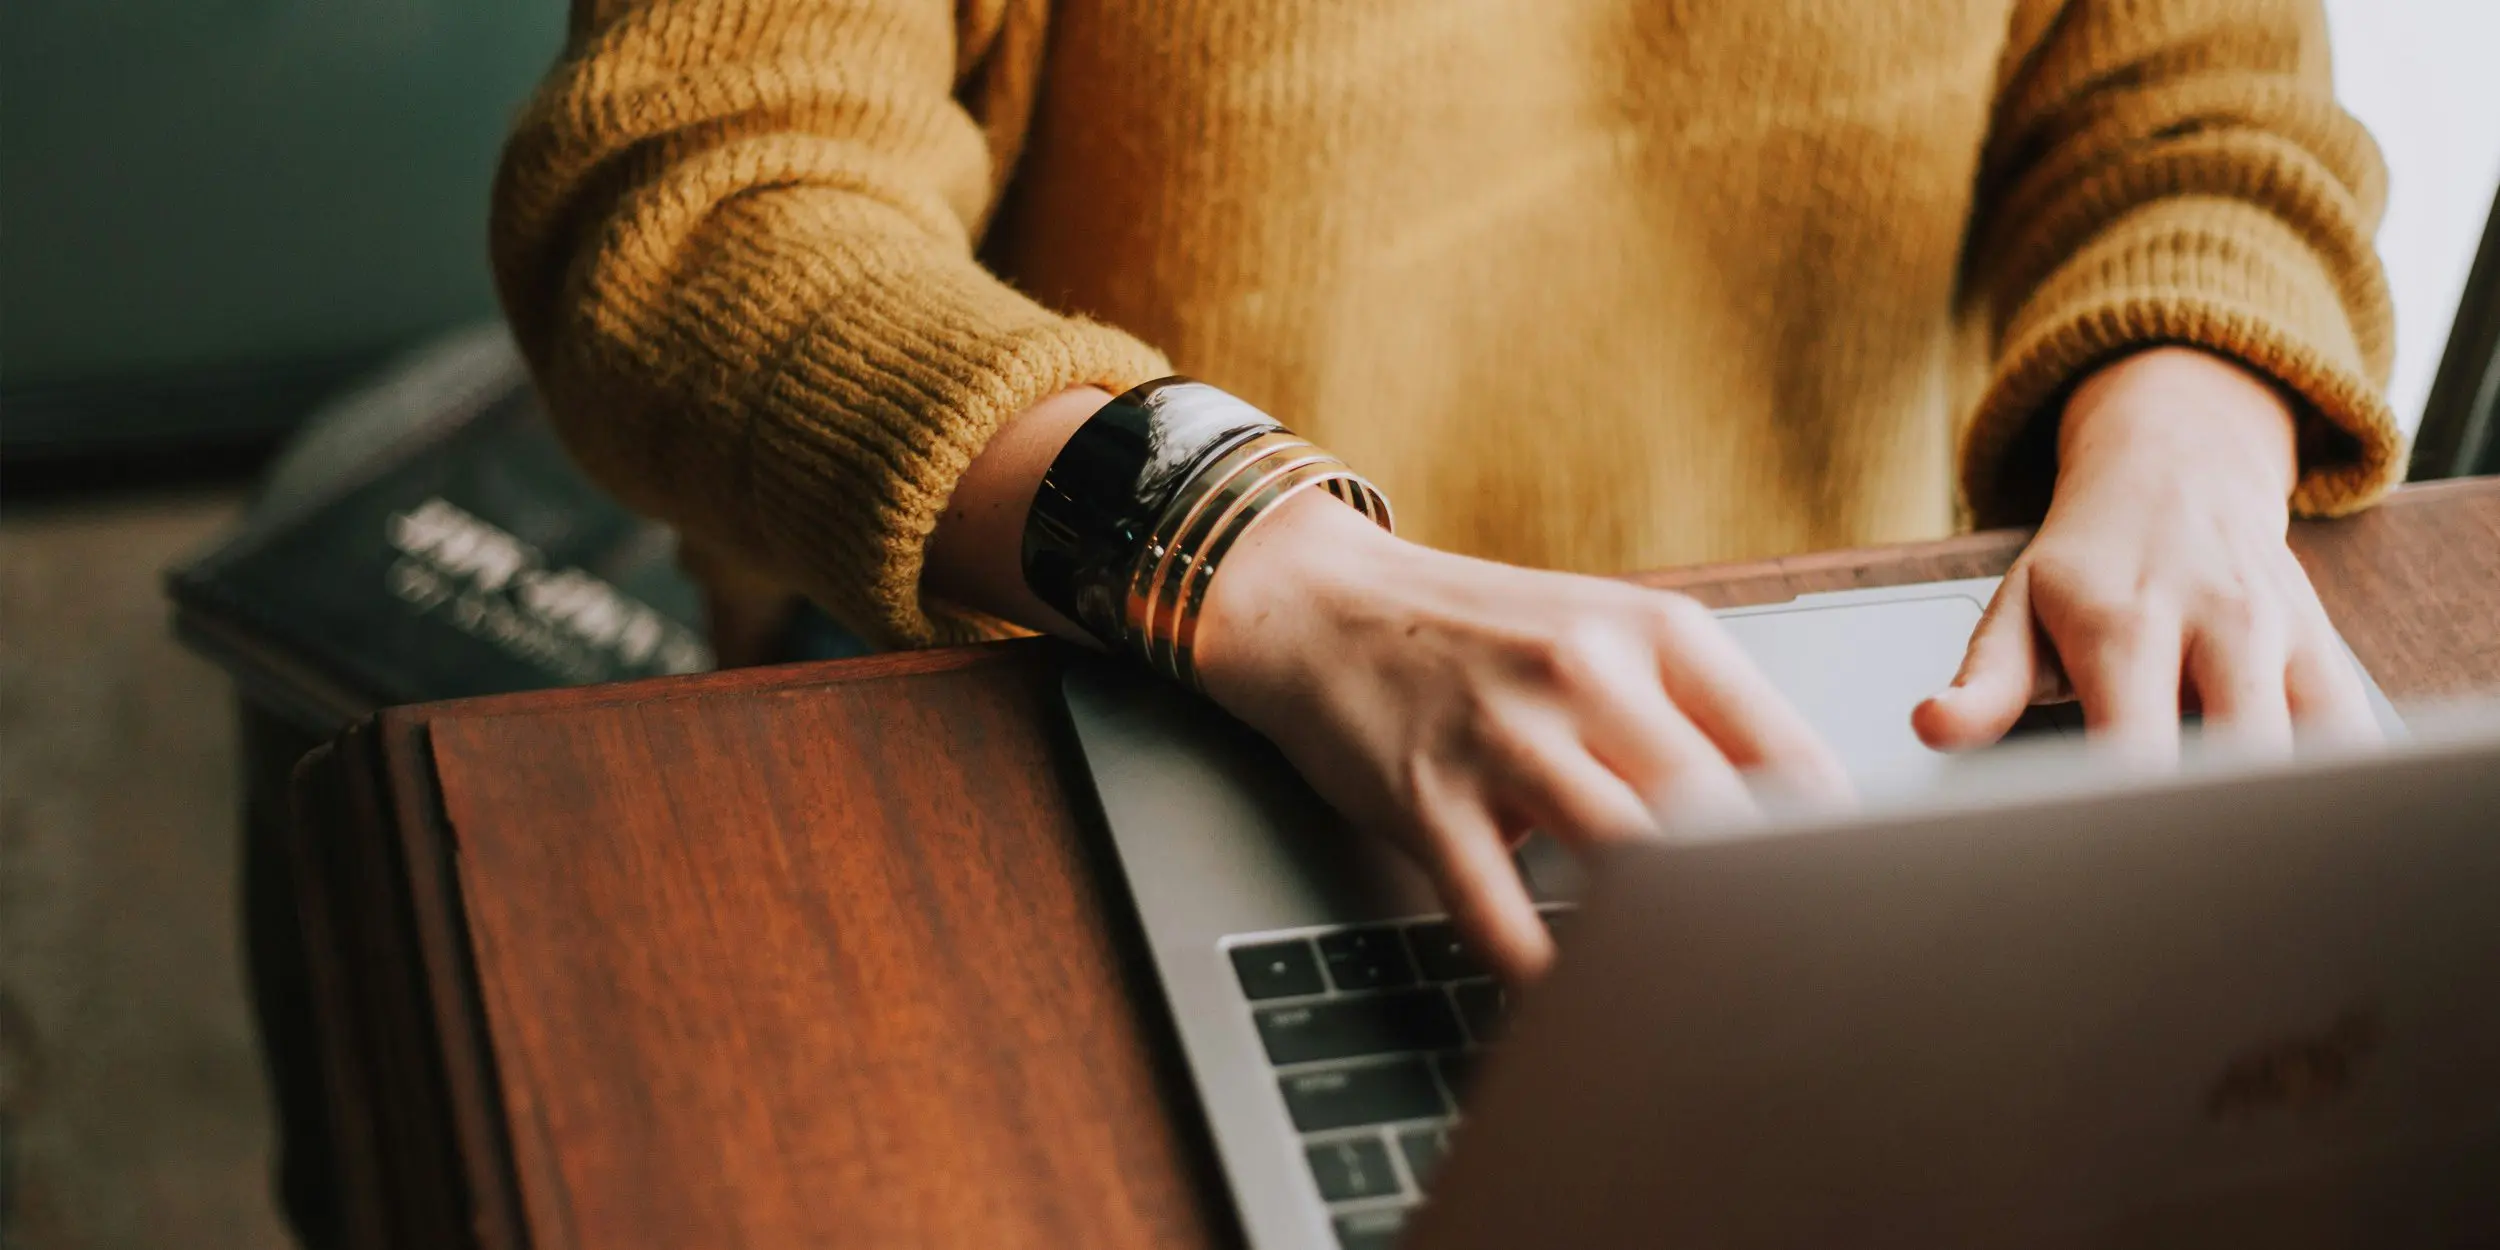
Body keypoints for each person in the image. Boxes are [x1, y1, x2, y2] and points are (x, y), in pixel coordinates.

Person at [490, 0, 2398, 985]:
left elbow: (2203, 115)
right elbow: (694, 199)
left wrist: (2190, 429)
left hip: (1827, 746)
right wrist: (1248, 553)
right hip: (1099, 679)